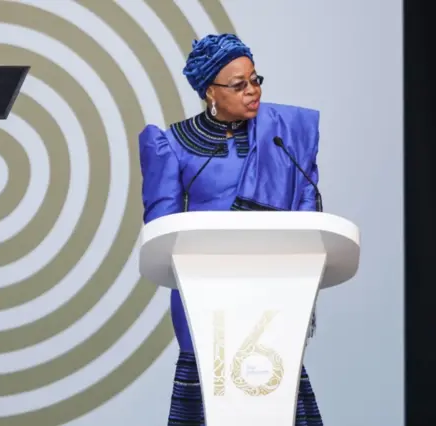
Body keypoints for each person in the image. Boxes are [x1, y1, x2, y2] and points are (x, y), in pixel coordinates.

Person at [139, 33, 324, 426]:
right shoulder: (172, 145)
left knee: (271, 389)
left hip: (275, 290)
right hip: (202, 292)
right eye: (239, 85)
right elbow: (161, 229)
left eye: (256, 80)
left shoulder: (284, 134)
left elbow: (307, 206)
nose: (252, 91)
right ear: (210, 92)